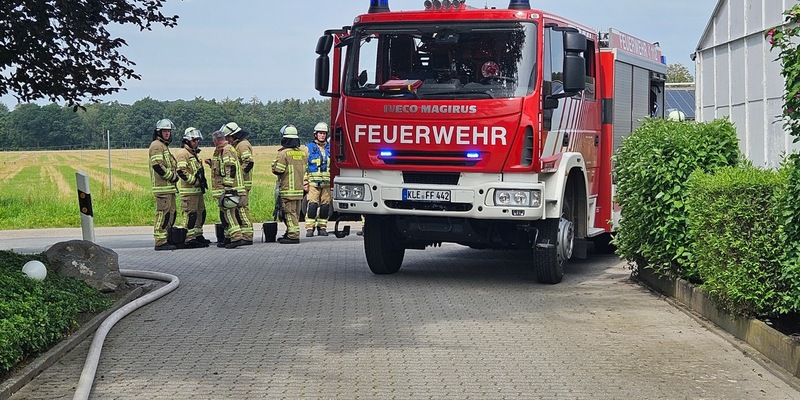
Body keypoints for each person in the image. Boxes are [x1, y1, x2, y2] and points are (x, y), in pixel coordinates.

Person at [207, 130, 247, 249]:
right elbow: (223, 168)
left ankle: (236, 237)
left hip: (231, 189)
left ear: (216, 140)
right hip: (231, 188)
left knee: (229, 212)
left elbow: (230, 167)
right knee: (226, 213)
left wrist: (228, 187)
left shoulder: (226, 150)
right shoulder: (226, 149)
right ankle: (228, 238)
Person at [271, 125, 308, 244]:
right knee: (295, 214)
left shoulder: (284, 154)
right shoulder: (303, 154)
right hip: (299, 190)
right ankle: (290, 232)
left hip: (288, 190)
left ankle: (293, 235)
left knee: (289, 213)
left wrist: (273, 164)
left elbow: (278, 170)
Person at [175, 127, 211, 248]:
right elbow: (181, 171)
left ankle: (198, 235)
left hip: (197, 192)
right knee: (190, 215)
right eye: (194, 140)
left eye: (197, 140)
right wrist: (195, 181)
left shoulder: (193, 154)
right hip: (189, 192)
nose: (196, 142)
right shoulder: (183, 153)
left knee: (201, 213)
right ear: (187, 141)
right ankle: (188, 238)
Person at [221, 122, 254, 245]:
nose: (227, 140)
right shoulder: (238, 144)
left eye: (228, 137)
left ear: (233, 135)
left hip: (243, 184)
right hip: (240, 183)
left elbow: (249, 162)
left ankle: (247, 236)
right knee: (240, 209)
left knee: (242, 209)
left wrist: (238, 175)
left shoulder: (242, 145)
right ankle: (244, 235)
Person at [149, 118, 179, 251]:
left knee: (171, 213)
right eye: (164, 131)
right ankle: (160, 241)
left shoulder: (164, 146)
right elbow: (158, 166)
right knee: (163, 214)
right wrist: (172, 176)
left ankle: (166, 238)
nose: (167, 133)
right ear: (158, 132)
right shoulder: (156, 145)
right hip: (162, 188)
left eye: (168, 131)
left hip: (169, 188)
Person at [303, 122, 331, 237]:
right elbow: (304, 166)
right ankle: (310, 228)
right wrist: (305, 182)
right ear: (315, 134)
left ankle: (322, 228)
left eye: (324, 133)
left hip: (327, 184)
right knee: (312, 206)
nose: (322, 135)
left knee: (325, 207)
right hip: (313, 183)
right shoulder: (308, 148)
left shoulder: (330, 148)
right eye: (320, 133)